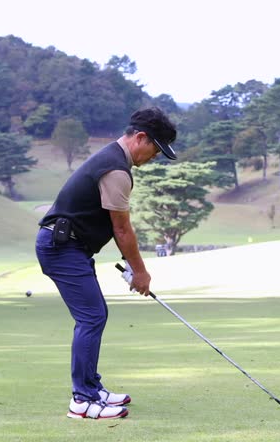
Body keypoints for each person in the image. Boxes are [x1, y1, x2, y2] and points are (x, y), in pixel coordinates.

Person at [35, 107, 177, 419]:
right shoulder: (116, 170)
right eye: (155, 149)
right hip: (61, 247)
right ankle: (82, 401)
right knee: (91, 317)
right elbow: (122, 229)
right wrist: (140, 271)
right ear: (141, 137)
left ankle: (91, 388)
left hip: (70, 247)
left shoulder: (112, 159)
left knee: (94, 315)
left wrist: (131, 263)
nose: (154, 157)